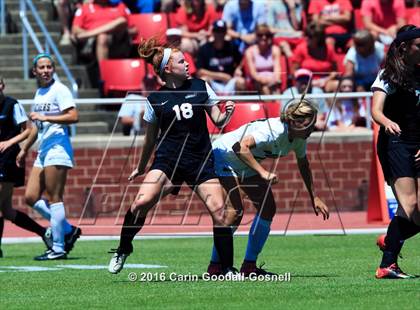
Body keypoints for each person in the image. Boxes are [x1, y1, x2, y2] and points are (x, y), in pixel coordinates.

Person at [108, 38, 238, 275]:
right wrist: (141, 166)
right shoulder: (155, 100)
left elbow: (218, 120)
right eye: (182, 60)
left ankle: (227, 268)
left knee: (220, 212)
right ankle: (123, 248)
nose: (187, 63)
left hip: (199, 159)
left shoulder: (201, 86)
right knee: (140, 203)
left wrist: (227, 114)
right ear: (167, 69)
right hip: (168, 160)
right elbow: (149, 139)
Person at [207, 97, 330, 276]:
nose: (312, 129)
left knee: (268, 208)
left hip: (245, 162)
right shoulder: (274, 131)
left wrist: (314, 197)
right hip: (224, 156)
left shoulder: (298, 137)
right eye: (309, 124)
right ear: (295, 122)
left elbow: (303, 164)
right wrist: (263, 173)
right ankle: (216, 266)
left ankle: (249, 266)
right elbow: (240, 148)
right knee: (235, 212)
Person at [18, 54, 82, 261]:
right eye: (41, 67)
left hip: (58, 148)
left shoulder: (60, 90)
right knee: (30, 196)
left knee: (55, 197)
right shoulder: (40, 92)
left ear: (53, 69)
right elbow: (37, 126)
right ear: (34, 71)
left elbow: (73, 116)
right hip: (44, 150)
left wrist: (46, 116)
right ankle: (67, 229)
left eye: (49, 67)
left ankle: (58, 247)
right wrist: (24, 148)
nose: (45, 70)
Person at [371, 25, 420, 279]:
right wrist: (386, 122)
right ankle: (386, 265)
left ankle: (392, 238)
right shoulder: (388, 75)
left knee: (418, 213)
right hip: (396, 144)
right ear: (404, 48)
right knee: (410, 207)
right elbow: (376, 110)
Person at [0, 76, 53, 258]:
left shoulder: (12, 104)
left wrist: (8, 142)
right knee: (6, 210)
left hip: (8, 159)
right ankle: (44, 232)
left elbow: (28, 131)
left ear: (2, 85)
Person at [196, 19, 245, 95]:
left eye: (222, 31)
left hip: (229, 83)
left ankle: (240, 106)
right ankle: (208, 106)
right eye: (217, 31)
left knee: (241, 82)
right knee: (204, 80)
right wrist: (221, 76)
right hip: (213, 83)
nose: (219, 34)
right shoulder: (205, 48)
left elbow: (242, 60)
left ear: (225, 33)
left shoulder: (232, 46)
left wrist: (238, 69)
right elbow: (200, 71)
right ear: (213, 32)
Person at [291, 22, 339, 89]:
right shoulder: (301, 49)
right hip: (305, 83)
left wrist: (325, 80)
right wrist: (309, 82)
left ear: (319, 38)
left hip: (325, 82)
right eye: (306, 35)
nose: (306, 38)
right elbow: (294, 72)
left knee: (337, 85)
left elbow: (335, 71)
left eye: (310, 37)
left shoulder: (328, 49)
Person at [243, 24, 282, 95]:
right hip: (256, 82)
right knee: (265, 89)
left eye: (267, 35)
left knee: (275, 90)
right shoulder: (249, 51)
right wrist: (265, 81)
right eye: (260, 35)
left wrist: (274, 80)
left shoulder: (275, 50)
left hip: (272, 81)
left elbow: (277, 70)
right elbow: (253, 74)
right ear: (256, 36)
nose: (264, 37)